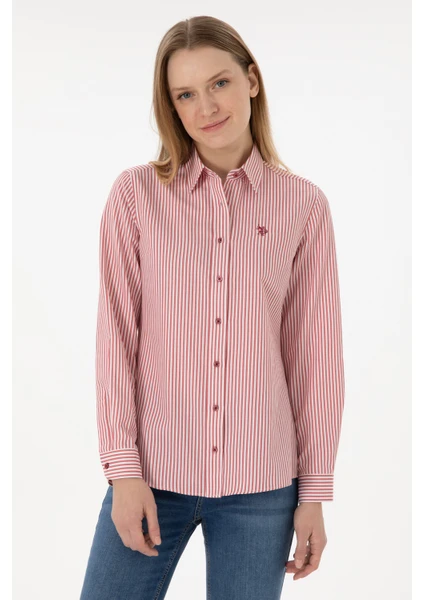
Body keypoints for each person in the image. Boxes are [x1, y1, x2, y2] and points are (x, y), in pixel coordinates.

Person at [80, 15, 345, 600]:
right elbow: (115, 339)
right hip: (152, 476)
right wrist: (123, 471)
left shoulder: (303, 206)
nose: (206, 107)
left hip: (263, 487)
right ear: (171, 106)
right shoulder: (135, 196)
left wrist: (313, 494)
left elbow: (315, 360)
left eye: (219, 83)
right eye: (185, 94)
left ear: (251, 79)